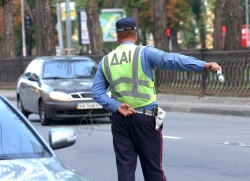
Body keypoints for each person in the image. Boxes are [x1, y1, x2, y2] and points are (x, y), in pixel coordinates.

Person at [91, 17, 222, 181]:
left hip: (120, 120)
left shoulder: (106, 60)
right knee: (153, 171)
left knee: (125, 171)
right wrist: (203, 65)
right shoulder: (144, 52)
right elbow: (172, 60)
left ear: (117, 37)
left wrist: (116, 106)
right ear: (136, 35)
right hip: (146, 118)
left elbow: (96, 92)